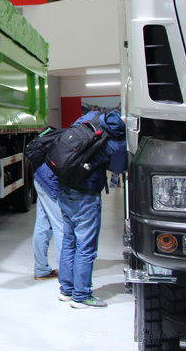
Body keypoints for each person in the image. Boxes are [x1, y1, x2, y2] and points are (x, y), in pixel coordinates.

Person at [57, 109, 126, 309]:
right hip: (86, 194)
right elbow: (118, 168)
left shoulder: (87, 119)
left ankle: (66, 290)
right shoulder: (116, 140)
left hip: (65, 188)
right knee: (85, 246)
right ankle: (81, 296)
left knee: (69, 241)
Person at [32, 160, 63, 280]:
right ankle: (64, 271)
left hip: (42, 176)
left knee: (43, 224)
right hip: (51, 181)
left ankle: (41, 269)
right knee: (61, 226)